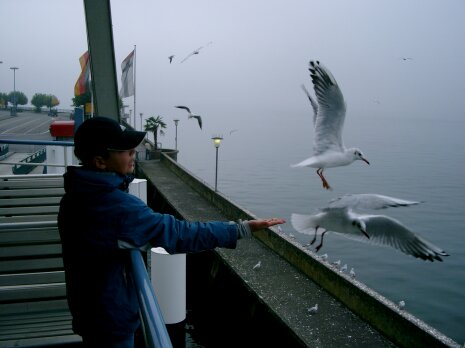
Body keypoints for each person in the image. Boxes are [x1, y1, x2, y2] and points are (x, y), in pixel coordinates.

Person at [58, 116, 285, 348]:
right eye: (126, 150)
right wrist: (241, 228)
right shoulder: (116, 207)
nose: (133, 153)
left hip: (87, 310)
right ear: (100, 162)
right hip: (111, 323)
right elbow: (179, 234)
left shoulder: (75, 195)